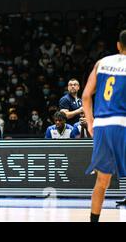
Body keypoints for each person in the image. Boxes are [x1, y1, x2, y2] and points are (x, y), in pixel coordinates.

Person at [83, 30, 126, 222]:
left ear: (118, 45)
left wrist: (91, 122)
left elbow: (85, 96)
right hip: (122, 123)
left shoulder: (101, 63)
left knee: (102, 181)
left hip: (101, 125)